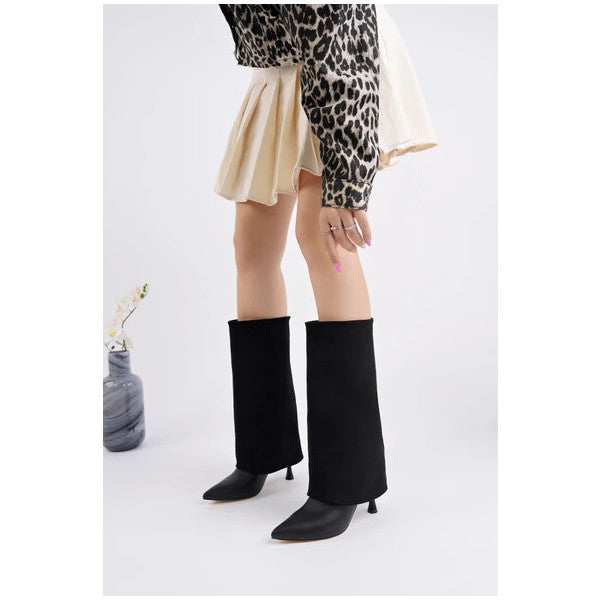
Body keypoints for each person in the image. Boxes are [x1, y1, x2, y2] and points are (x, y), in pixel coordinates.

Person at [203, 4, 436, 541]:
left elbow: (341, 41)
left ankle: (348, 479)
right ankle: (263, 449)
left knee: (325, 239)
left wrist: (345, 183)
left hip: (339, 67)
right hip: (281, 73)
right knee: (250, 247)